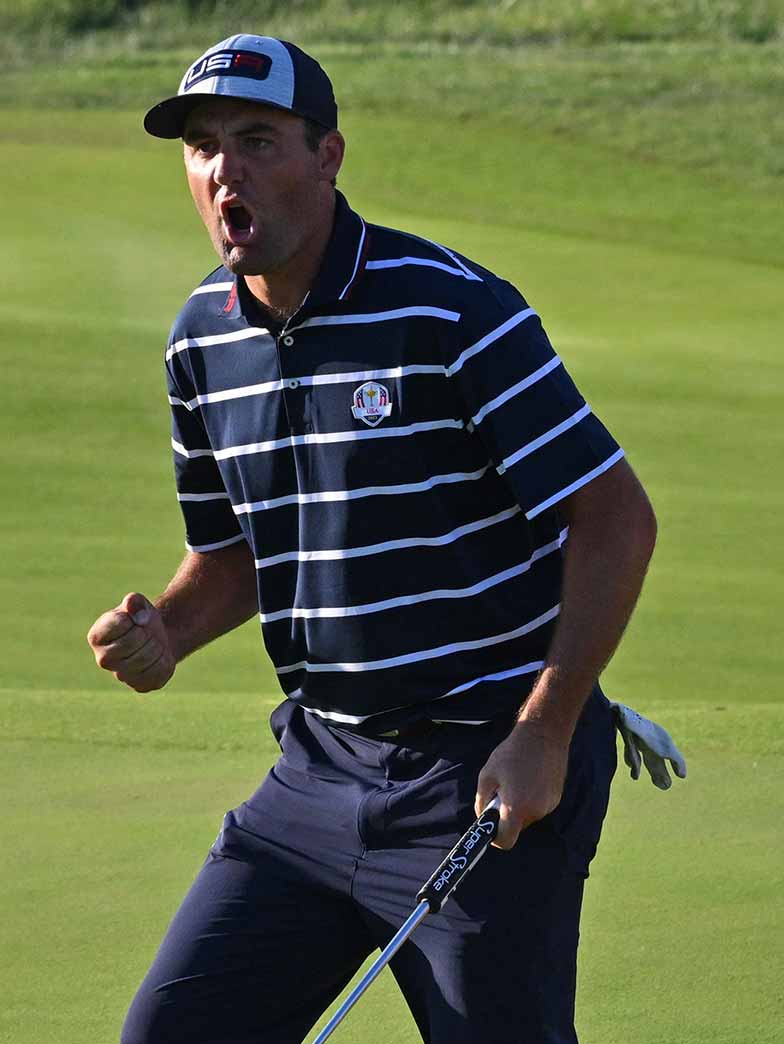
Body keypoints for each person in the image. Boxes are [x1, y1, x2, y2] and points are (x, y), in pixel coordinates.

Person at [87, 35, 685, 1044]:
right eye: (200, 145)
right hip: (317, 771)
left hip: (486, 763)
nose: (222, 169)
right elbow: (236, 553)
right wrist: (167, 635)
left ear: (326, 157)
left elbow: (613, 516)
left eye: (255, 139)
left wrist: (544, 731)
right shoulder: (200, 340)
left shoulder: (450, 308)